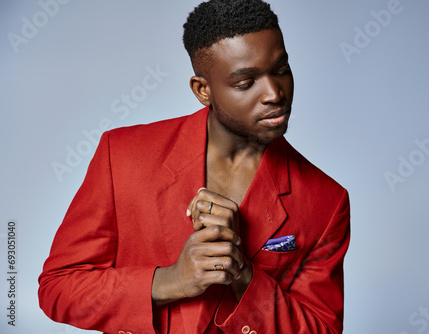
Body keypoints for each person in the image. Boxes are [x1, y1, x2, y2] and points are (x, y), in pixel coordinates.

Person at [38, 0, 350, 333]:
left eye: (281, 70)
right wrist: (170, 280)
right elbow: (58, 288)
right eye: (246, 83)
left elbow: (321, 328)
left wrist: (243, 274)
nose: (274, 93)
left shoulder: (327, 202)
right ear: (203, 90)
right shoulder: (123, 156)